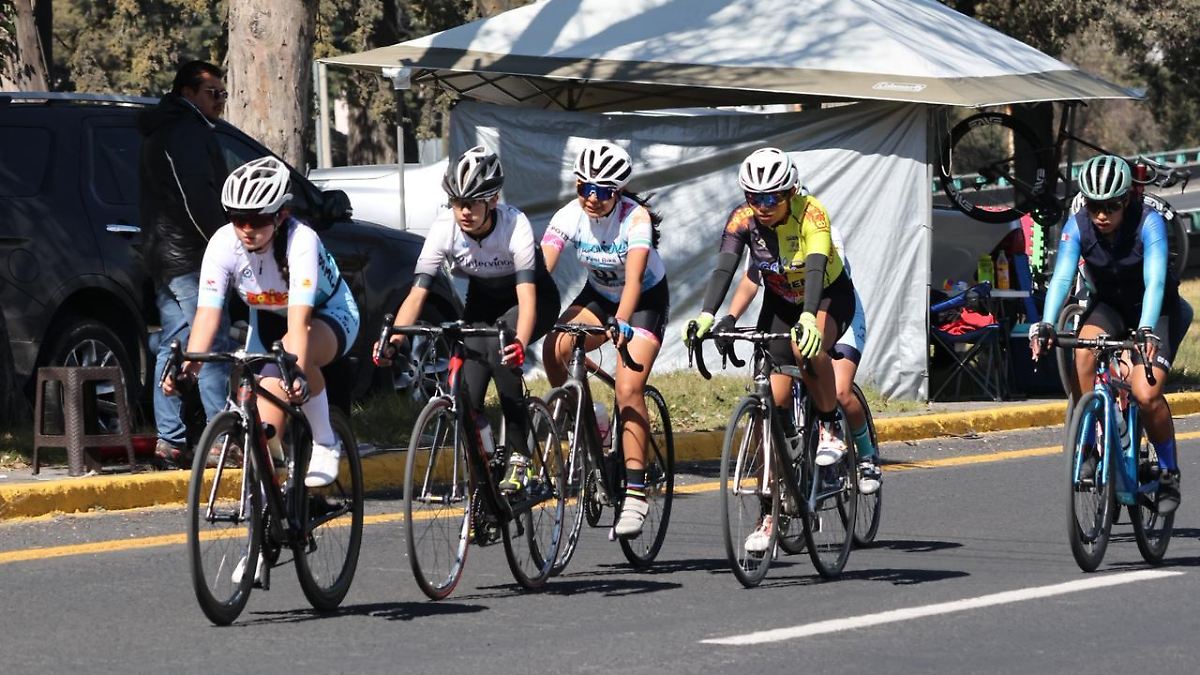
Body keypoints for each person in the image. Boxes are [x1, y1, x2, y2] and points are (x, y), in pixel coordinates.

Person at [684, 147, 857, 553]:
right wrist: (710, 315)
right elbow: (725, 267)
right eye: (753, 197)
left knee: (807, 346)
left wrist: (810, 316)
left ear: (790, 191)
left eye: (771, 198)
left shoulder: (811, 212)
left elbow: (815, 266)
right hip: (780, 304)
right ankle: (770, 511)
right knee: (769, 413)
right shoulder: (742, 220)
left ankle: (829, 426)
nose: (762, 206)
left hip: (827, 296)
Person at [162, 157, 359, 489]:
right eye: (237, 219)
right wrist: (189, 370)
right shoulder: (223, 244)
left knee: (297, 353)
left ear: (281, 215)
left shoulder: (301, 241)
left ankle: (326, 441)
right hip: (268, 320)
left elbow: (299, 323)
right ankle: (272, 502)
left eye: (257, 220)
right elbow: (208, 317)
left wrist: (293, 370)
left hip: (327, 314)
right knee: (264, 429)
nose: (246, 230)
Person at [375, 146, 560, 491]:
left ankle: (521, 459)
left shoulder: (513, 224)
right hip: (484, 301)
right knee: (464, 393)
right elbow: (418, 293)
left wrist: (519, 342)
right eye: (456, 202)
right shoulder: (445, 228)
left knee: (500, 352)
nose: (463, 211)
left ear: (492, 200)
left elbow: (527, 297)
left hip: (532, 298)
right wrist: (396, 339)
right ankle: (486, 460)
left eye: (472, 203)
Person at [1031, 154, 1188, 514]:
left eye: (1112, 206)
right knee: (1083, 354)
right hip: (1111, 306)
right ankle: (1088, 443)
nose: (1102, 215)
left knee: (1146, 394)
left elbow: (1156, 282)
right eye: (1095, 205)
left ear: (1127, 199)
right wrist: (1046, 323)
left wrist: (1146, 329)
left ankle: (1168, 472)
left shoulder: (1148, 224)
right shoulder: (1078, 224)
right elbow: (1062, 276)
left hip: (1156, 308)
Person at [541, 141, 669, 538]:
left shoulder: (636, 219)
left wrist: (623, 322)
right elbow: (541, 269)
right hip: (597, 295)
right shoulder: (569, 215)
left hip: (643, 300)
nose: (593, 199)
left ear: (618, 192)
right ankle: (593, 419)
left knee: (629, 387)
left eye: (604, 191)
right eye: (585, 189)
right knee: (555, 347)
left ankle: (635, 491)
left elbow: (633, 280)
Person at [719, 225, 881, 495]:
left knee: (839, 390)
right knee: (775, 391)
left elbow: (826, 283)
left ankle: (866, 457)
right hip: (793, 310)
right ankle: (793, 454)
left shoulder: (820, 230)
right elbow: (751, 280)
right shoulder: (764, 239)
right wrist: (729, 318)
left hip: (833, 309)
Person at [139, 60, 233, 468]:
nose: (220, 102)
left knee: (175, 343)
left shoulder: (165, 129)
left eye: (223, 94)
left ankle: (171, 440)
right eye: (213, 93)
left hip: (165, 255)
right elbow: (197, 197)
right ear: (188, 92)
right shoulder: (186, 132)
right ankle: (220, 439)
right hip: (193, 256)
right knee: (210, 343)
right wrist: (225, 241)